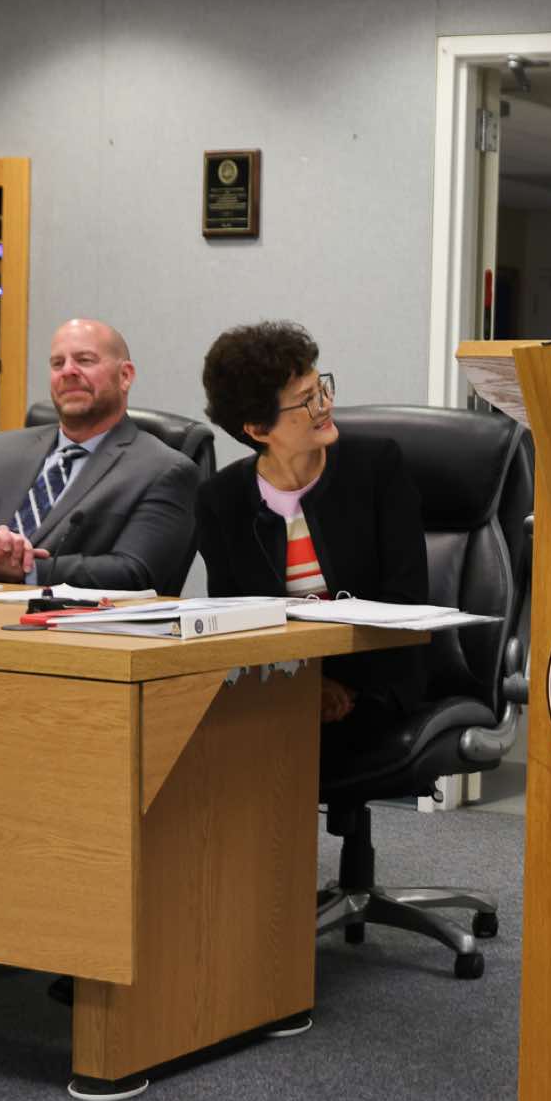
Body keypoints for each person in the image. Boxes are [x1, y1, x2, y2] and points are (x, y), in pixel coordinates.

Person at [194, 322, 428, 772]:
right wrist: (302, 684)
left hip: (377, 682)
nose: (325, 405)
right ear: (258, 428)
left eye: (321, 388)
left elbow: (405, 602)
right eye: (306, 400)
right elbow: (233, 620)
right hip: (278, 685)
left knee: (263, 745)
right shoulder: (220, 500)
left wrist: (331, 684)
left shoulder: (377, 467)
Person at [0, 318, 199, 591]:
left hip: (66, 618)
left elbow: (134, 572)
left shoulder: (164, 470)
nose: (68, 371)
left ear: (125, 376)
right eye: (58, 363)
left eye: (85, 360)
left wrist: (24, 570)